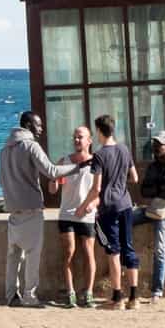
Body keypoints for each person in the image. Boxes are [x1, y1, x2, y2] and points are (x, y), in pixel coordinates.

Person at [0, 110, 88, 308]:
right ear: (29, 125)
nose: (41, 129)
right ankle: (29, 296)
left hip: (13, 210)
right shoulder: (31, 146)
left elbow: (2, 180)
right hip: (31, 208)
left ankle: (11, 295)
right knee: (32, 254)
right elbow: (52, 172)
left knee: (13, 257)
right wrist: (77, 167)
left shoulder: (5, 149)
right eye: (38, 125)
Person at [79, 113, 139, 309]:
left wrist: (83, 206)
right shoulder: (124, 149)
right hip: (126, 204)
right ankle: (134, 297)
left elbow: (96, 188)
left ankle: (117, 297)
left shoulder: (99, 155)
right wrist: (119, 181)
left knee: (113, 251)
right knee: (128, 248)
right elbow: (134, 177)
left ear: (98, 131)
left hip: (109, 208)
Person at [133, 130, 165, 301]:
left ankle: (157, 290)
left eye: (160, 145)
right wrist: (160, 189)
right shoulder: (153, 167)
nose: (156, 148)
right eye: (155, 145)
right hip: (154, 207)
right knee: (125, 220)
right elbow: (143, 190)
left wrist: (156, 190)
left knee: (159, 248)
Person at [56, 124, 98, 308]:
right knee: (69, 251)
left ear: (89, 140)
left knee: (88, 252)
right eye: (74, 137)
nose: (76, 140)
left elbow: (100, 191)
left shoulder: (96, 162)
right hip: (67, 214)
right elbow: (52, 189)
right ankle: (70, 292)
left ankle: (88, 293)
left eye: (80, 137)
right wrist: (55, 178)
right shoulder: (64, 161)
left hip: (87, 215)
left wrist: (92, 204)